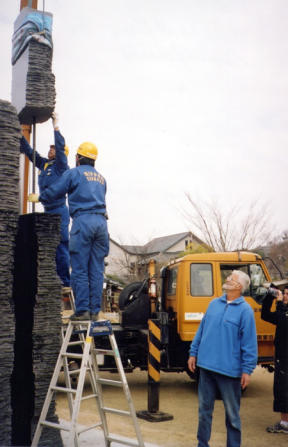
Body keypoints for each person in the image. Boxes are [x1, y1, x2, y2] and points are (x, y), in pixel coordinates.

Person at [37, 141, 109, 321]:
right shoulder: (101, 179)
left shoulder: (74, 173)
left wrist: (40, 197)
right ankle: (94, 312)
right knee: (96, 270)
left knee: (79, 268)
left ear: (77, 158)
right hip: (101, 223)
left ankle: (82, 310)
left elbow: (56, 190)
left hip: (83, 221)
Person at [187, 270, 258, 447]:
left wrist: (247, 370)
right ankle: (202, 444)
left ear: (239, 286)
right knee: (204, 412)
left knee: (232, 416)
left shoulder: (245, 311)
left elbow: (249, 344)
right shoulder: (213, 304)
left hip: (229, 371)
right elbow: (201, 330)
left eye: (231, 278)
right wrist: (193, 352)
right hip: (206, 367)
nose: (226, 279)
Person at [20, 113, 70, 288]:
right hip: (48, 211)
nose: (50, 150)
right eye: (49, 148)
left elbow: (60, 147)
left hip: (59, 212)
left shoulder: (61, 167)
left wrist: (56, 127)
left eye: (53, 148)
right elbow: (30, 153)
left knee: (61, 246)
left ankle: (64, 282)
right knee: (49, 247)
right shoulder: (46, 165)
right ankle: (52, 279)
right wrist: (18, 134)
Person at [261, 286, 288, 434]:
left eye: (287, 294)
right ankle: (284, 422)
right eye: (284, 293)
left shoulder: (284, 312)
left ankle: (285, 424)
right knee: (281, 389)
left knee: (284, 390)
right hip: (281, 357)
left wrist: (278, 303)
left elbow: (283, 321)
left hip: (285, 357)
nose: (284, 296)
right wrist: (269, 297)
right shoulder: (283, 311)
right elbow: (265, 315)